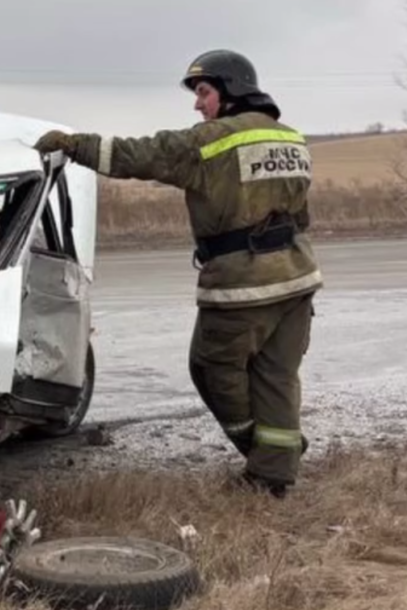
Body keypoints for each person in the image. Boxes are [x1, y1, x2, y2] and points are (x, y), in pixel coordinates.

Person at [34, 50, 322, 498]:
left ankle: (265, 456)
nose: (197, 104)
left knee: (211, 368)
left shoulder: (211, 140)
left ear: (230, 90)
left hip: (243, 285)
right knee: (277, 377)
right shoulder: (291, 139)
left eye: (204, 92)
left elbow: (136, 155)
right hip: (298, 279)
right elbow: (300, 216)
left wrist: (73, 145)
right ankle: (275, 474)